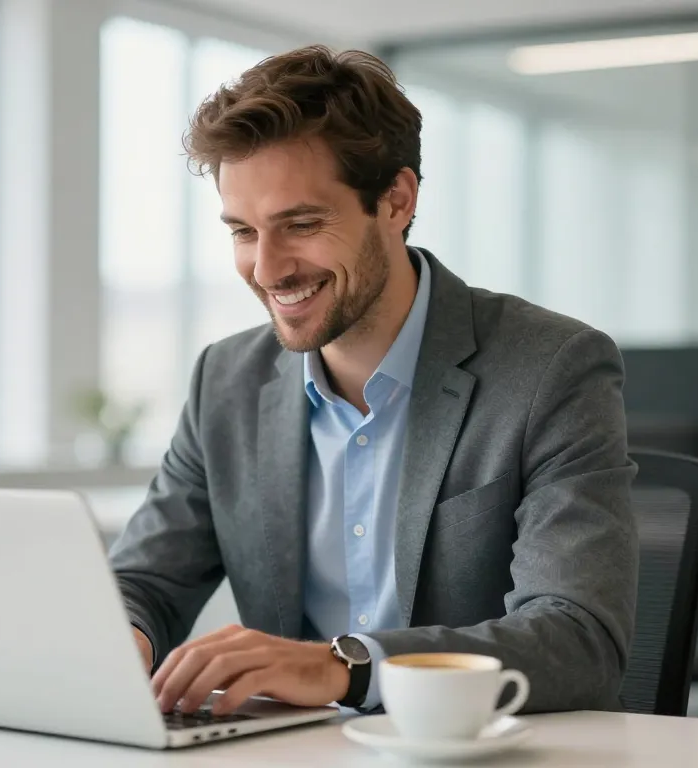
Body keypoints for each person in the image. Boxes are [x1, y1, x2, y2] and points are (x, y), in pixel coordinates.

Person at [107, 44, 638, 717]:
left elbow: (578, 636)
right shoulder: (226, 381)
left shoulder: (551, 368)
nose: (267, 269)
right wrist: (118, 641)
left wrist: (343, 667)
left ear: (396, 199)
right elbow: (145, 579)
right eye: (243, 231)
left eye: (301, 224)